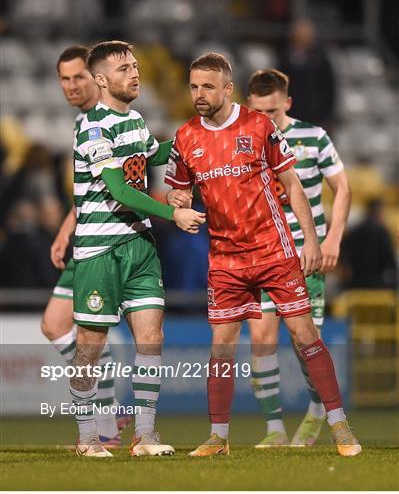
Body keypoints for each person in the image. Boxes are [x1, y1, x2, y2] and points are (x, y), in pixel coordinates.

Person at [165, 52, 360, 458]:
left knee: (306, 335)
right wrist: (178, 202)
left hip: (274, 249)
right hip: (225, 258)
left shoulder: (258, 126)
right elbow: (177, 188)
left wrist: (310, 239)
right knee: (221, 346)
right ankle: (219, 437)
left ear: (227, 88)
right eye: (193, 86)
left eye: (207, 86)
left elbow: (291, 182)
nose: (199, 94)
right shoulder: (185, 137)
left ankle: (340, 427)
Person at [70, 40, 205, 458]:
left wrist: (195, 140)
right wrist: (172, 212)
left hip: (139, 246)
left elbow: (154, 156)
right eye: (124, 67)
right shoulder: (93, 126)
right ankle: (87, 436)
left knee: (152, 339)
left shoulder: (137, 121)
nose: (134, 73)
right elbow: (118, 190)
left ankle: (145, 435)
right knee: (89, 348)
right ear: (101, 79)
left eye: (135, 66)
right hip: (99, 252)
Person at [246, 68, 352, 447]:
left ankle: (316, 410)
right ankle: (274, 430)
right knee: (260, 339)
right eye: (259, 112)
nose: (266, 119)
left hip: (306, 256)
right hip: (262, 254)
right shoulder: (245, 141)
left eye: (273, 111)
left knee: (304, 342)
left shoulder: (313, 136)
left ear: (287, 103)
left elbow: (342, 188)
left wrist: (332, 239)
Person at [40, 45, 128, 448]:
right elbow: (86, 190)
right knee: (56, 326)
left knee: (80, 332)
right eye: (64, 78)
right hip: (87, 238)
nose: (71, 85)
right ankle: (109, 415)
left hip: (110, 242)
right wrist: (65, 230)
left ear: (96, 77)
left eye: (78, 76)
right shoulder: (83, 122)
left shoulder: (108, 119)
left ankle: (106, 423)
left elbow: (119, 183)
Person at [341, 198, 397, 290]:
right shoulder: (383, 233)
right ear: (380, 212)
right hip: (379, 286)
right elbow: (390, 262)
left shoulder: (354, 232)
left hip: (354, 285)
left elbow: (343, 257)